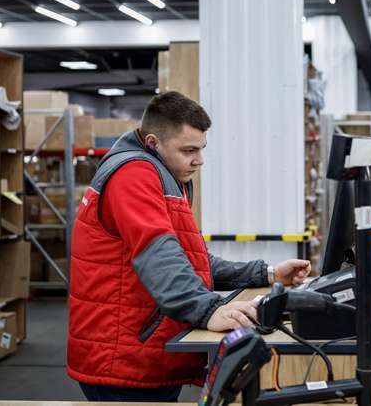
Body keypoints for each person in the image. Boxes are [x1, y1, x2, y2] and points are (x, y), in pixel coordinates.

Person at [66, 91, 311, 402]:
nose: (200, 159)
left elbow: (192, 259)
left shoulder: (165, 174)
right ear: (153, 142)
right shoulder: (133, 175)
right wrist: (208, 309)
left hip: (143, 353)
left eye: (202, 148)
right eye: (189, 150)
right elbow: (159, 253)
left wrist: (270, 273)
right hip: (122, 360)